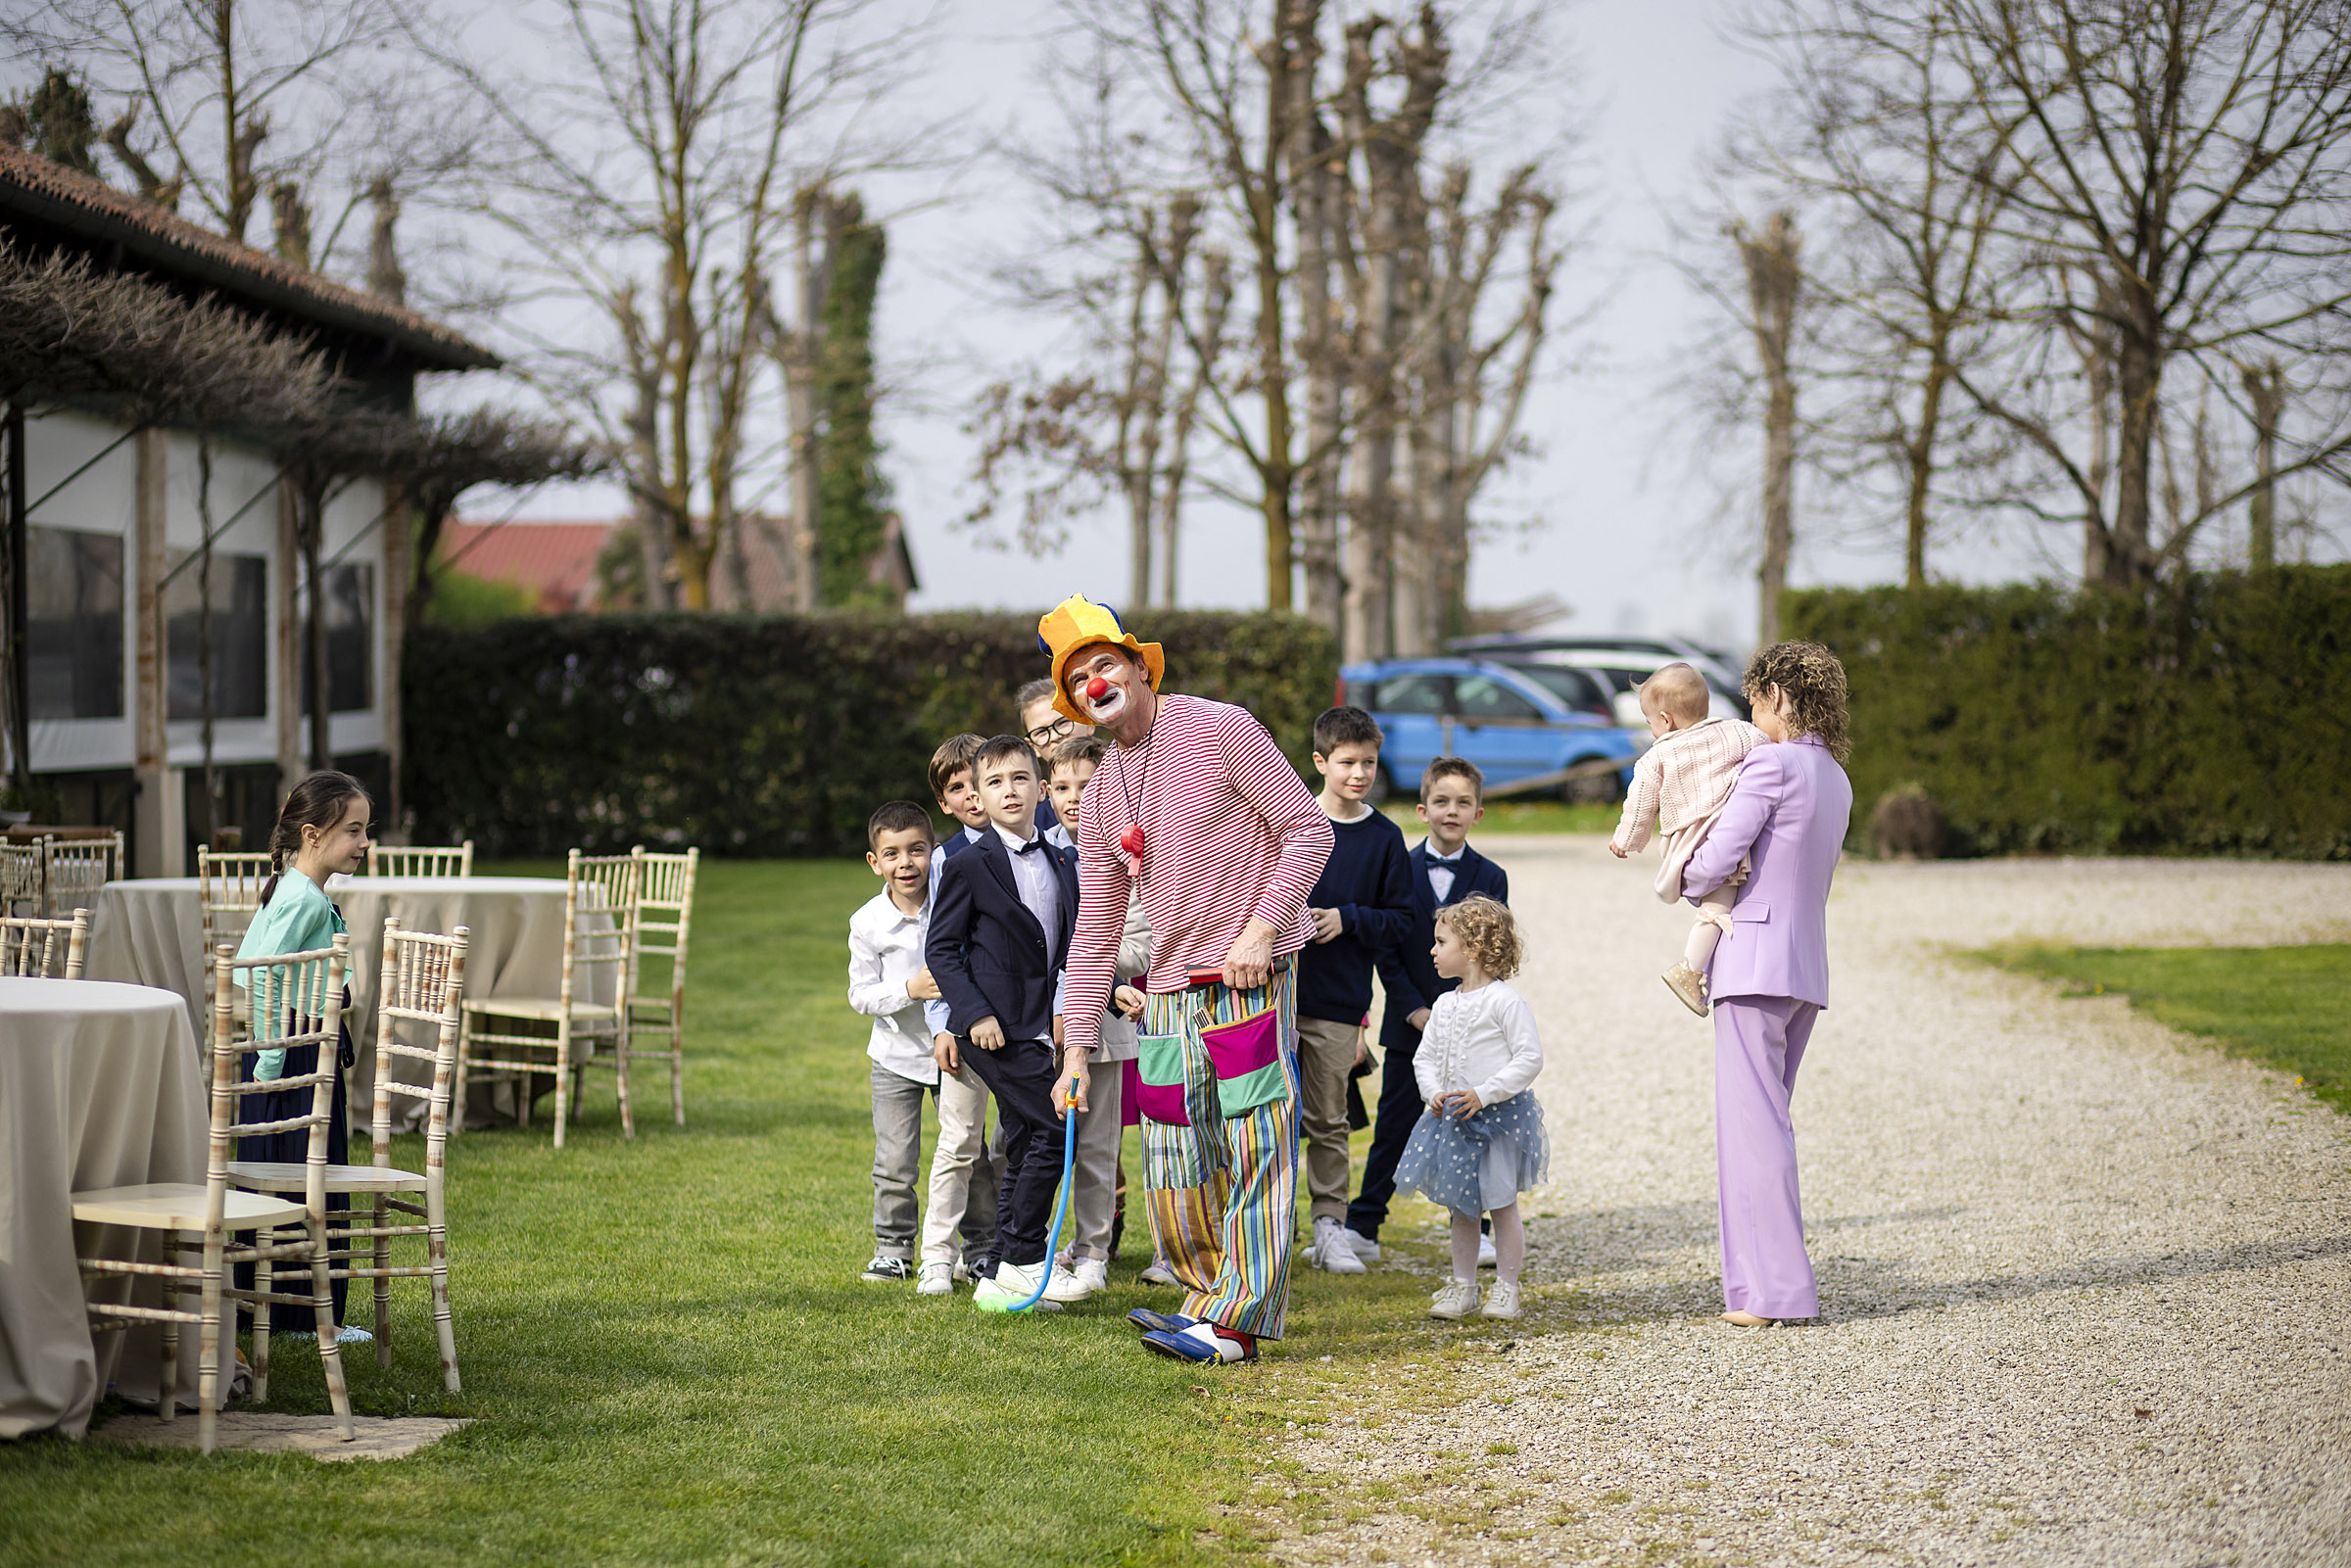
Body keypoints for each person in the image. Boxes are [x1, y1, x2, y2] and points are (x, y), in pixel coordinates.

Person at [1047, 594, 1334, 1365]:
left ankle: (1237, 1322)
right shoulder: (1104, 787)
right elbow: (1097, 928)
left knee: (1252, 1145)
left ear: (1140, 665)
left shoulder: (1219, 727)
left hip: (1245, 975)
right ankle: (1206, 1301)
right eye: (1078, 679)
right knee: (1175, 1155)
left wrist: (1263, 927)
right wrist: (1077, 1051)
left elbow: (1308, 830)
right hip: (1168, 993)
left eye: (1104, 663)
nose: (1095, 682)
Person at [1679, 641, 1853, 1329]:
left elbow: (1717, 858)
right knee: (1764, 1122)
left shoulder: (1771, 763)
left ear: (1778, 695)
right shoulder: (1835, 774)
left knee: (1753, 1130)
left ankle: (1777, 1290)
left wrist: (1691, 875)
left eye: (1754, 700)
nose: (1751, 715)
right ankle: (1755, 1286)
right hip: (1804, 965)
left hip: (1751, 961)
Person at [925, 735, 1085, 1312]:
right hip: (991, 1029)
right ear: (978, 798)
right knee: (1051, 1129)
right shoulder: (968, 865)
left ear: (1040, 789)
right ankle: (1023, 1257)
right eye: (994, 783)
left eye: (1019, 779)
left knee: (1024, 1139)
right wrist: (974, 1015)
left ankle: (997, 1273)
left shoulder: (1063, 858)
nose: (1008, 791)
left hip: (1041, 1024)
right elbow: (942, 950)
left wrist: (1075, 1004)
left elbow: (1072, 943)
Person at [1348, 758, 1509, 1261]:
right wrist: (1416, 1010)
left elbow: (1493, 952)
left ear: (1478, 813)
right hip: (1409, 1021)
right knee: (1394, 1125)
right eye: (1442, 801)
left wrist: (1464, 1013)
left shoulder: (1491, 876)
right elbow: (1388, 951)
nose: (1452, 811)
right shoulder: (1401, 867)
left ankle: (1474, 1228)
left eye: (1463, 802)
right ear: (1423, 809)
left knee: (1469, 1129)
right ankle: (1363, 1226)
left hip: (1470, 1029)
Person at [234, 770, 374, 1343]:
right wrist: (271, 1061)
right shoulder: (302, 900)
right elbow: (260, 975)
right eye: (354, 831)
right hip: (292, 1059)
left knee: (283, 1182)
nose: (365, 844)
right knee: (309, 1180)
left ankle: (270, 1308)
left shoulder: (289, 886)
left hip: (288, 1053)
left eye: (368, 830)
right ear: (313, 834)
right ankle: (307, 1318)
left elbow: (250, 962)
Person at [1294, 705, 1414, 1276]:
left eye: (1368, 762)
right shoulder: (1288, 821)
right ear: (1321, 761)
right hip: (1270, 996)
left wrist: (1348, 919)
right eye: (1347, 763)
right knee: (1260, 1120)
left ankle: (1330, 1228)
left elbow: (1403, 921)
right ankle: (1262, 1229)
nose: (1359, 773)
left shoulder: (1385, 838)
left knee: (1328, 1121)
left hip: (1339, 1002)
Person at [1393, 895, 1546, 1322]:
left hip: (1496, 1122)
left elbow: (1528, 1058)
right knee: (1461, 1209)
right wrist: (1433, 1091)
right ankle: (1463, 1287)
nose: (1433, 950)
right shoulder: (1443, 1005)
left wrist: (1485, 1092)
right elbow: (1424, 1058)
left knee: (1501, 1204)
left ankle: (1508, 1289)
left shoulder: (1504, 1003)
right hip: (1453, 1123)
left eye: (1441, 942)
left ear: (1473, 948)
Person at [1039, 734, 1150, 1302]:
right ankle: (1037, 1245)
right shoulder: (1034, 853)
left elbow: (1139, 940)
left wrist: (1097, 976)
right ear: (1046, 791)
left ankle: (1093, 1249)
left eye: (1088, 785)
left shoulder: (1130, 858)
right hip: (1039, 1026)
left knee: (1099, 1147)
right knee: (1039, 1142)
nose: (1077, 798)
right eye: (1063, 787)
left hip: (1104, 1028)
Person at [1607, 662, 1767, 1016]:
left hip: (1690, 840)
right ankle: (1693, 968)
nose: (1651, 730)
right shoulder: (1738, 732)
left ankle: (1692, 970)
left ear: (1665, 720)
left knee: (1713, 906)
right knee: (1718, 905)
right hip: (1724, 830)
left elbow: (1640, 806)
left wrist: (1625, 839)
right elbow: (1769, 748)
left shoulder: (1656, 757)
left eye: (1649, 722)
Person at [845, 801, 947, 1285]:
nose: (905, 863)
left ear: (933, 851)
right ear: (875, 862)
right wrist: (909, 989)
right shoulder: (867, 923)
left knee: (965, 1153)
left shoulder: (951, 902)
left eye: (917, 850)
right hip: (895, 1058)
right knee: (894, 1160)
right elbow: (860, 995)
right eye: (892, 854)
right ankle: (893, 1248)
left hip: (954, 1052)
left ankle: (978, 1245)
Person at [915, 735, 1002, 1294]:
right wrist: (946, 1020)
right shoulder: (947, 859)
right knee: (959, 1141)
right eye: (959, 789)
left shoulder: (1036, 842)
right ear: (945, 802)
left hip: (1028, 1021)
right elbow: (940, 948)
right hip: (966, 1020)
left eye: (979, 781)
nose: (973, 796)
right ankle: (937, 1257)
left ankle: (1008, 1250)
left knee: (1018, 1144)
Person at [1014, 678, 1077, 843]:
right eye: (1041, 732)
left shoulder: (1128, 782)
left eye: (1063, 723)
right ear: (1033, 747)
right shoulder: (1033, 828)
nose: (1055, 737)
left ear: (1088, 721)